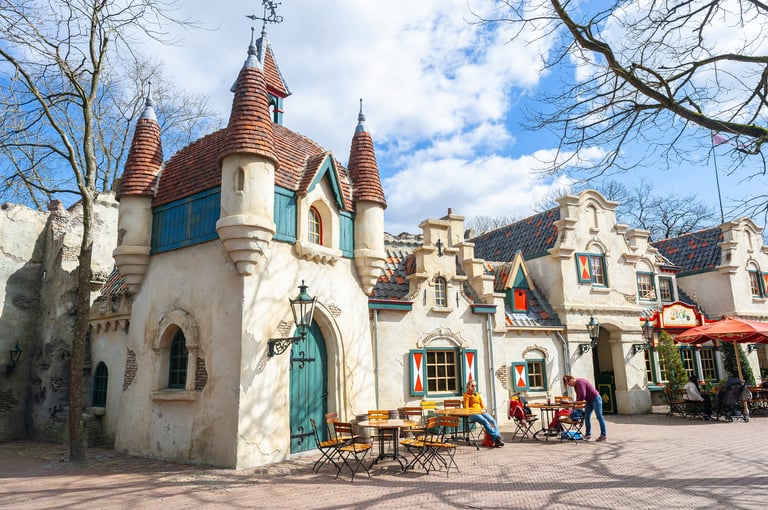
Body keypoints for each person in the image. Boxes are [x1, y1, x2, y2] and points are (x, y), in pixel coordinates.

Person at [562, 375, 607, 441]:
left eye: (569, 384)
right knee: (587, 417)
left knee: (599, 416)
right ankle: (588, 435)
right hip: (589, 401)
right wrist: (575, 404)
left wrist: (576, 404)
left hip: (595, 398)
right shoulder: (575, 385)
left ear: (571, 380)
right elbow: (578, 396)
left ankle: (603, 435)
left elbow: (583, 394)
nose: (569, 386)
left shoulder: (580, 382)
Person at [463, 380, 504, 447]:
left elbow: (483, 406)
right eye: (472, 386)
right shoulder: (466, 395)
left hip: (481, 412)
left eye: (475, 386)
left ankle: (497, 437)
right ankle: (496, 438)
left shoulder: (478, 395)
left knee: (493, 421)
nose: (474, 387)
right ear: (468, 386)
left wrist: (483, 410)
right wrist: (469, 394)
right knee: (485, 421)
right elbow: (466, 408)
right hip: (472, 414)